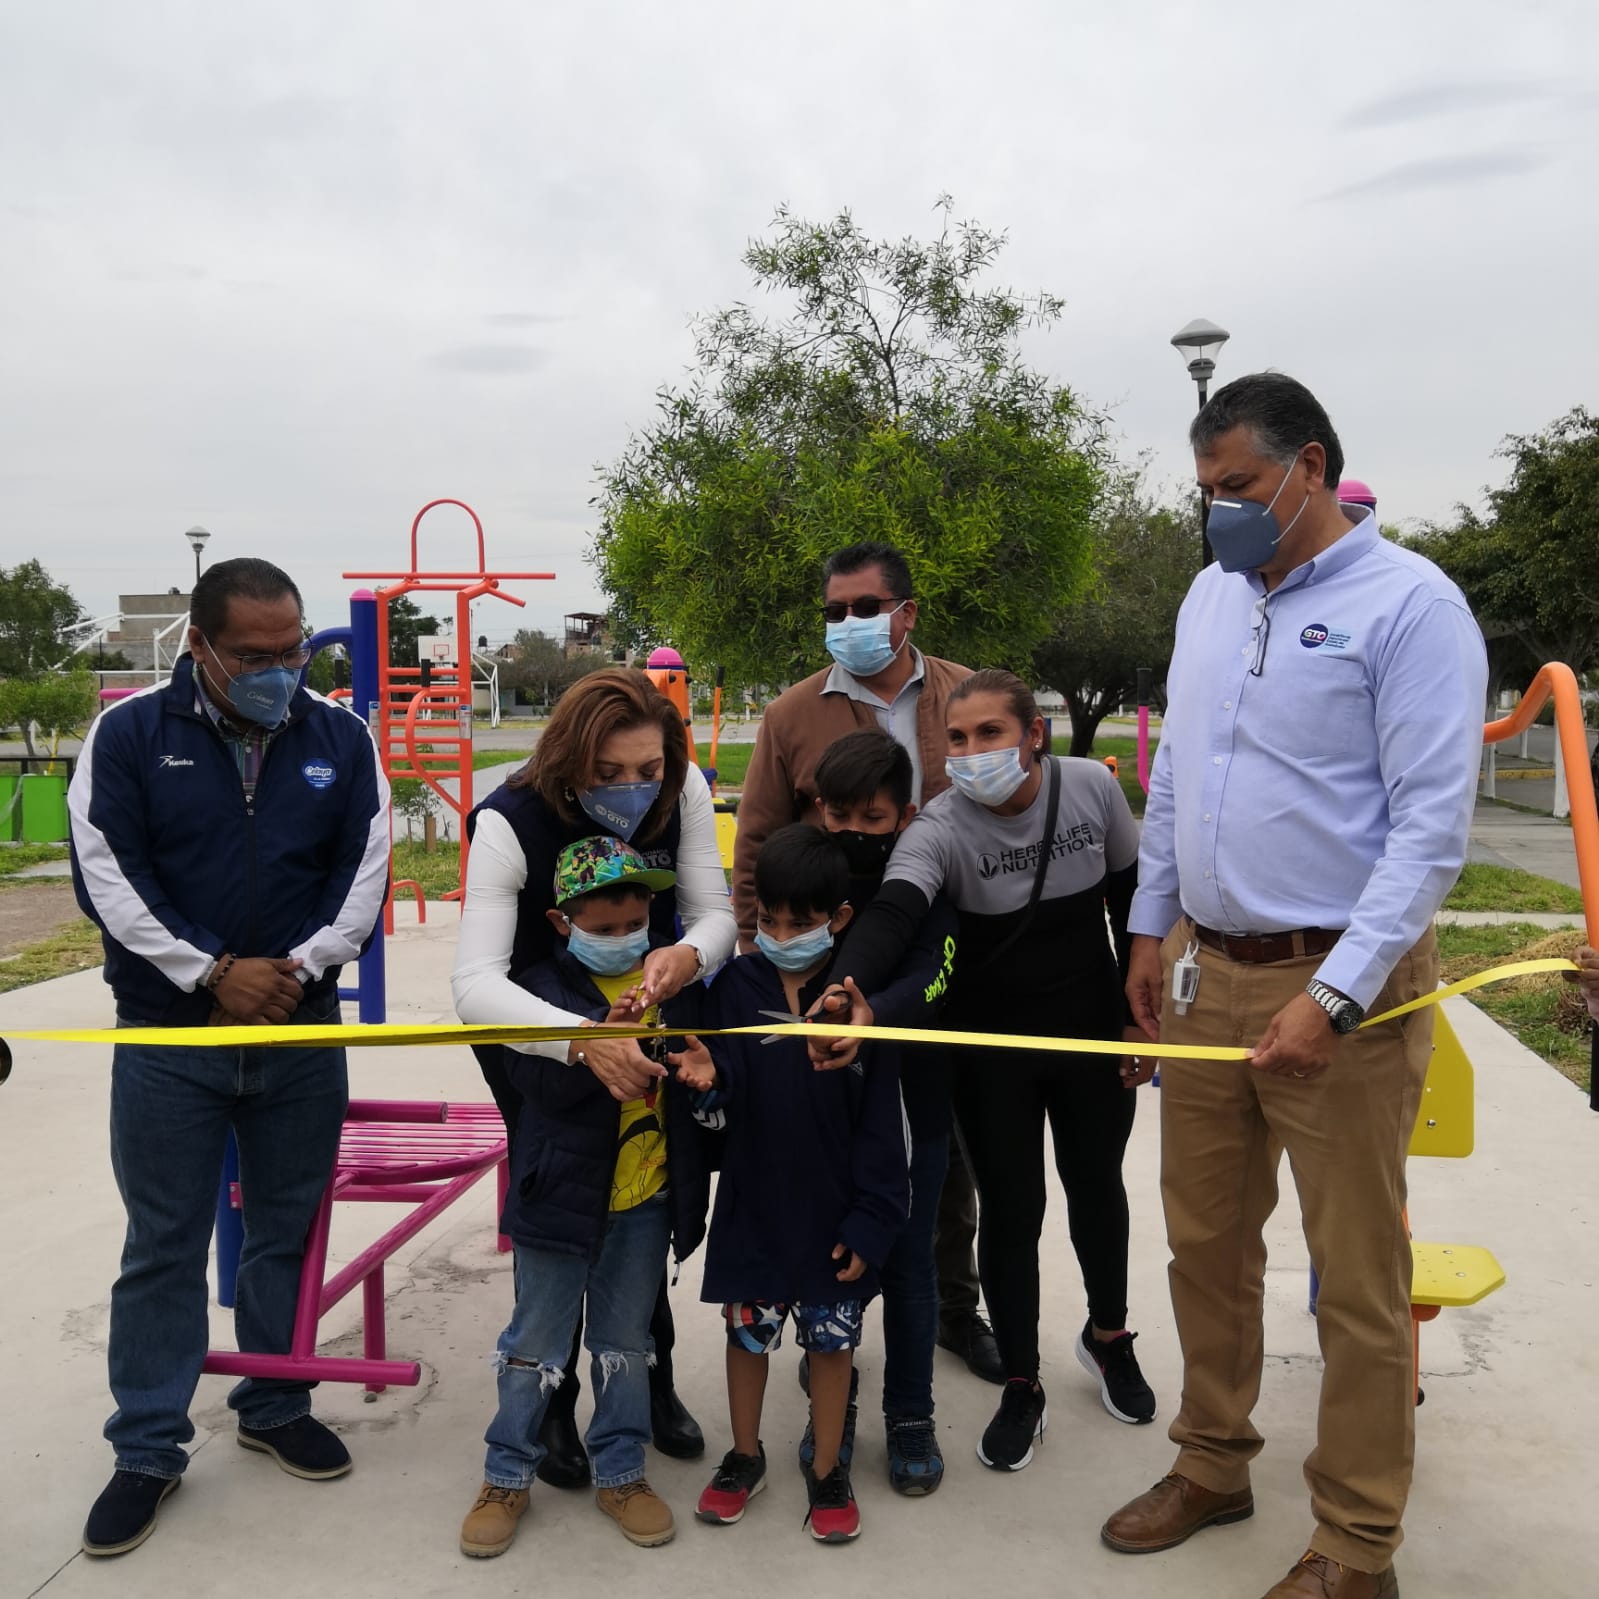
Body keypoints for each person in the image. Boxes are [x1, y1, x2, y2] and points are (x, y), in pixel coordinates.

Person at [1100, 373, 1488, 1599]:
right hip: (1209, 966)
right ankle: (1212, 1462)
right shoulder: (1211, 597)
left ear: (1309, 466)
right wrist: (1151, 928)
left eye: (1238, 486)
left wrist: (1337, 997)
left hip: (1342, 983)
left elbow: (1430, 831)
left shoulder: (1411, 607)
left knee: (1356, 1277)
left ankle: (1357, 1543)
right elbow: (1174, 775)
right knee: (1205, 1247)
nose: (1218, 511)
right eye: (1206, 490)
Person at [67, 557, 390, 1557]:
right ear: (200, 646)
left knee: (284, 1232)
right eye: (254, 655)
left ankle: (274, 1403)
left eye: (293, 649)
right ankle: (147, 1446)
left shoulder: (341, 737)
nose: (280, 670)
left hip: (298, 1031)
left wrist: (297, 968)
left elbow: (364, 869)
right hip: (170, 1041)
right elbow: (109, 874)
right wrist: (210, 972)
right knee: (162, 1243)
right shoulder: (130, 736)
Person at [824, 669, 1155, 1475]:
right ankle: (1021, 1380)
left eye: (989, 734)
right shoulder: (937, 826)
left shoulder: (1090, 788)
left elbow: (1130, 902)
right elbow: (894, 913)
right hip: (988, 1051)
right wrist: (847, 990)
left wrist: (1134, 1018)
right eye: (957, 738)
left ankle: (1107, 1336)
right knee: (1012, 1209)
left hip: (1088, 1034)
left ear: (1032, 734)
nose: (971, 752)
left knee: (1096, 1187)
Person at [452, 669, 738, 1484]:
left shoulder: (682, 788)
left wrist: (690, 954)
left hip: (647, 1006)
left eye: (647, 769)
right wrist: (580, 1042)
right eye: (607, 773)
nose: (632, 789)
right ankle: (551, 1402)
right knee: (559, 1187)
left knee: (647, 1183)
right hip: (534, 1027)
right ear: (566, 761)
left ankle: (649, 1376)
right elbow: (475, 984)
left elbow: (713, 912)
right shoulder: (508, 820)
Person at [732, 539, 999, 1386]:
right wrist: (761, 957)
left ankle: (954, 1306)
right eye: (834, 610)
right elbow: (758, 841)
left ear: (905, 612)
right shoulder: (791, 714)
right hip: (825, 972)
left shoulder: (964, 694)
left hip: (939, 957)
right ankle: (830, 1324)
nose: (846, 622)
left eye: (863, 607)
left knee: (941, 1159)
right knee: (837, 1151)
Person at [458, 838, 710, 1558]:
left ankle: (622, 1471)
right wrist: (594, 1044)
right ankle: (506, 1474)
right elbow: (532, 1088)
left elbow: (699, 1081)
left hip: (645, 1200)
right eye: (603, 928)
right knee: (534, 1342)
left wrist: (701, 1069)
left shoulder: (672, 988)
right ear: (561, 921)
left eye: (635, 923)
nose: (623, 938)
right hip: (557, 1199)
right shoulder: (533, 992)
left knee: (626, 1342)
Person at [671, 825, 910, 1544]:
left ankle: (828, 1467)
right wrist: (708, 1081)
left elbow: (884, 1125)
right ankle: (745, 1456)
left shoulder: (858, 1006)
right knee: (745, 1338)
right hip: (753, 1207)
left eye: (799, 923)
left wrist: (872, 1220)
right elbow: (721, 1096)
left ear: (838, 918)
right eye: (767, 921)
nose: (780, 936)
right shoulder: (731, 990)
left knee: (831, 1345)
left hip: (836, 1218)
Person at [809, 727, 959, 1494]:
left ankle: (909, 1412)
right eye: (838, 815)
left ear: (905, 817)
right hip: (823, 1114)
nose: (853, 832)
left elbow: (938, 973)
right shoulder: (801, 878)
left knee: (907, 1264)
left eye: (871, 818)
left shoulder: (926, 882)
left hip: (914, 1109)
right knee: (826, 1259)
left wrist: (876, 1012)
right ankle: (829, 1403)